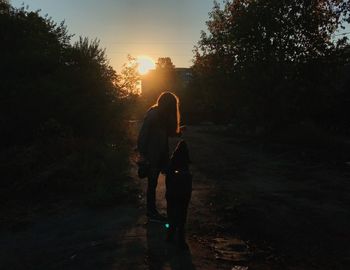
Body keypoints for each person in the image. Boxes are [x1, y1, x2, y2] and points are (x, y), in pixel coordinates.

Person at [137, 91, 181, 220]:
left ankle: (158, 211)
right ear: (168, 105)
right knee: (152, 184)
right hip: (152, 156)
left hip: (160, 155)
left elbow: (165, 134)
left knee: (159, 183)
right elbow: (143, 136)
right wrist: (143, 155)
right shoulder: (153, 114)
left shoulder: (161, 115)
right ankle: (151, 212)